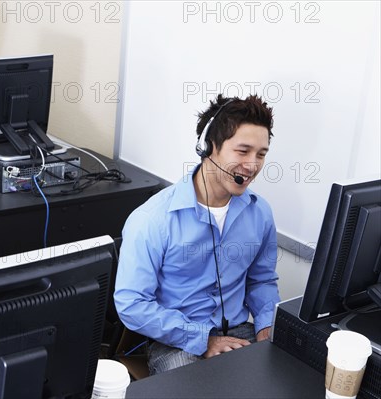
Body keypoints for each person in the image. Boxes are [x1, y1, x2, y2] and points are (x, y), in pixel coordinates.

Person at [114, 94, 281, 375]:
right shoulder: (151, 220)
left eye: (261, 154)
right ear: (208, 147)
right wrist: (204, 340)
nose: (252, 165)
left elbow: (262, 280)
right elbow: (132, 305)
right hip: (176, 339)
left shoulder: (260, 213)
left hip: (241, 331)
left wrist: (266, 324)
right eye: (242, 151)